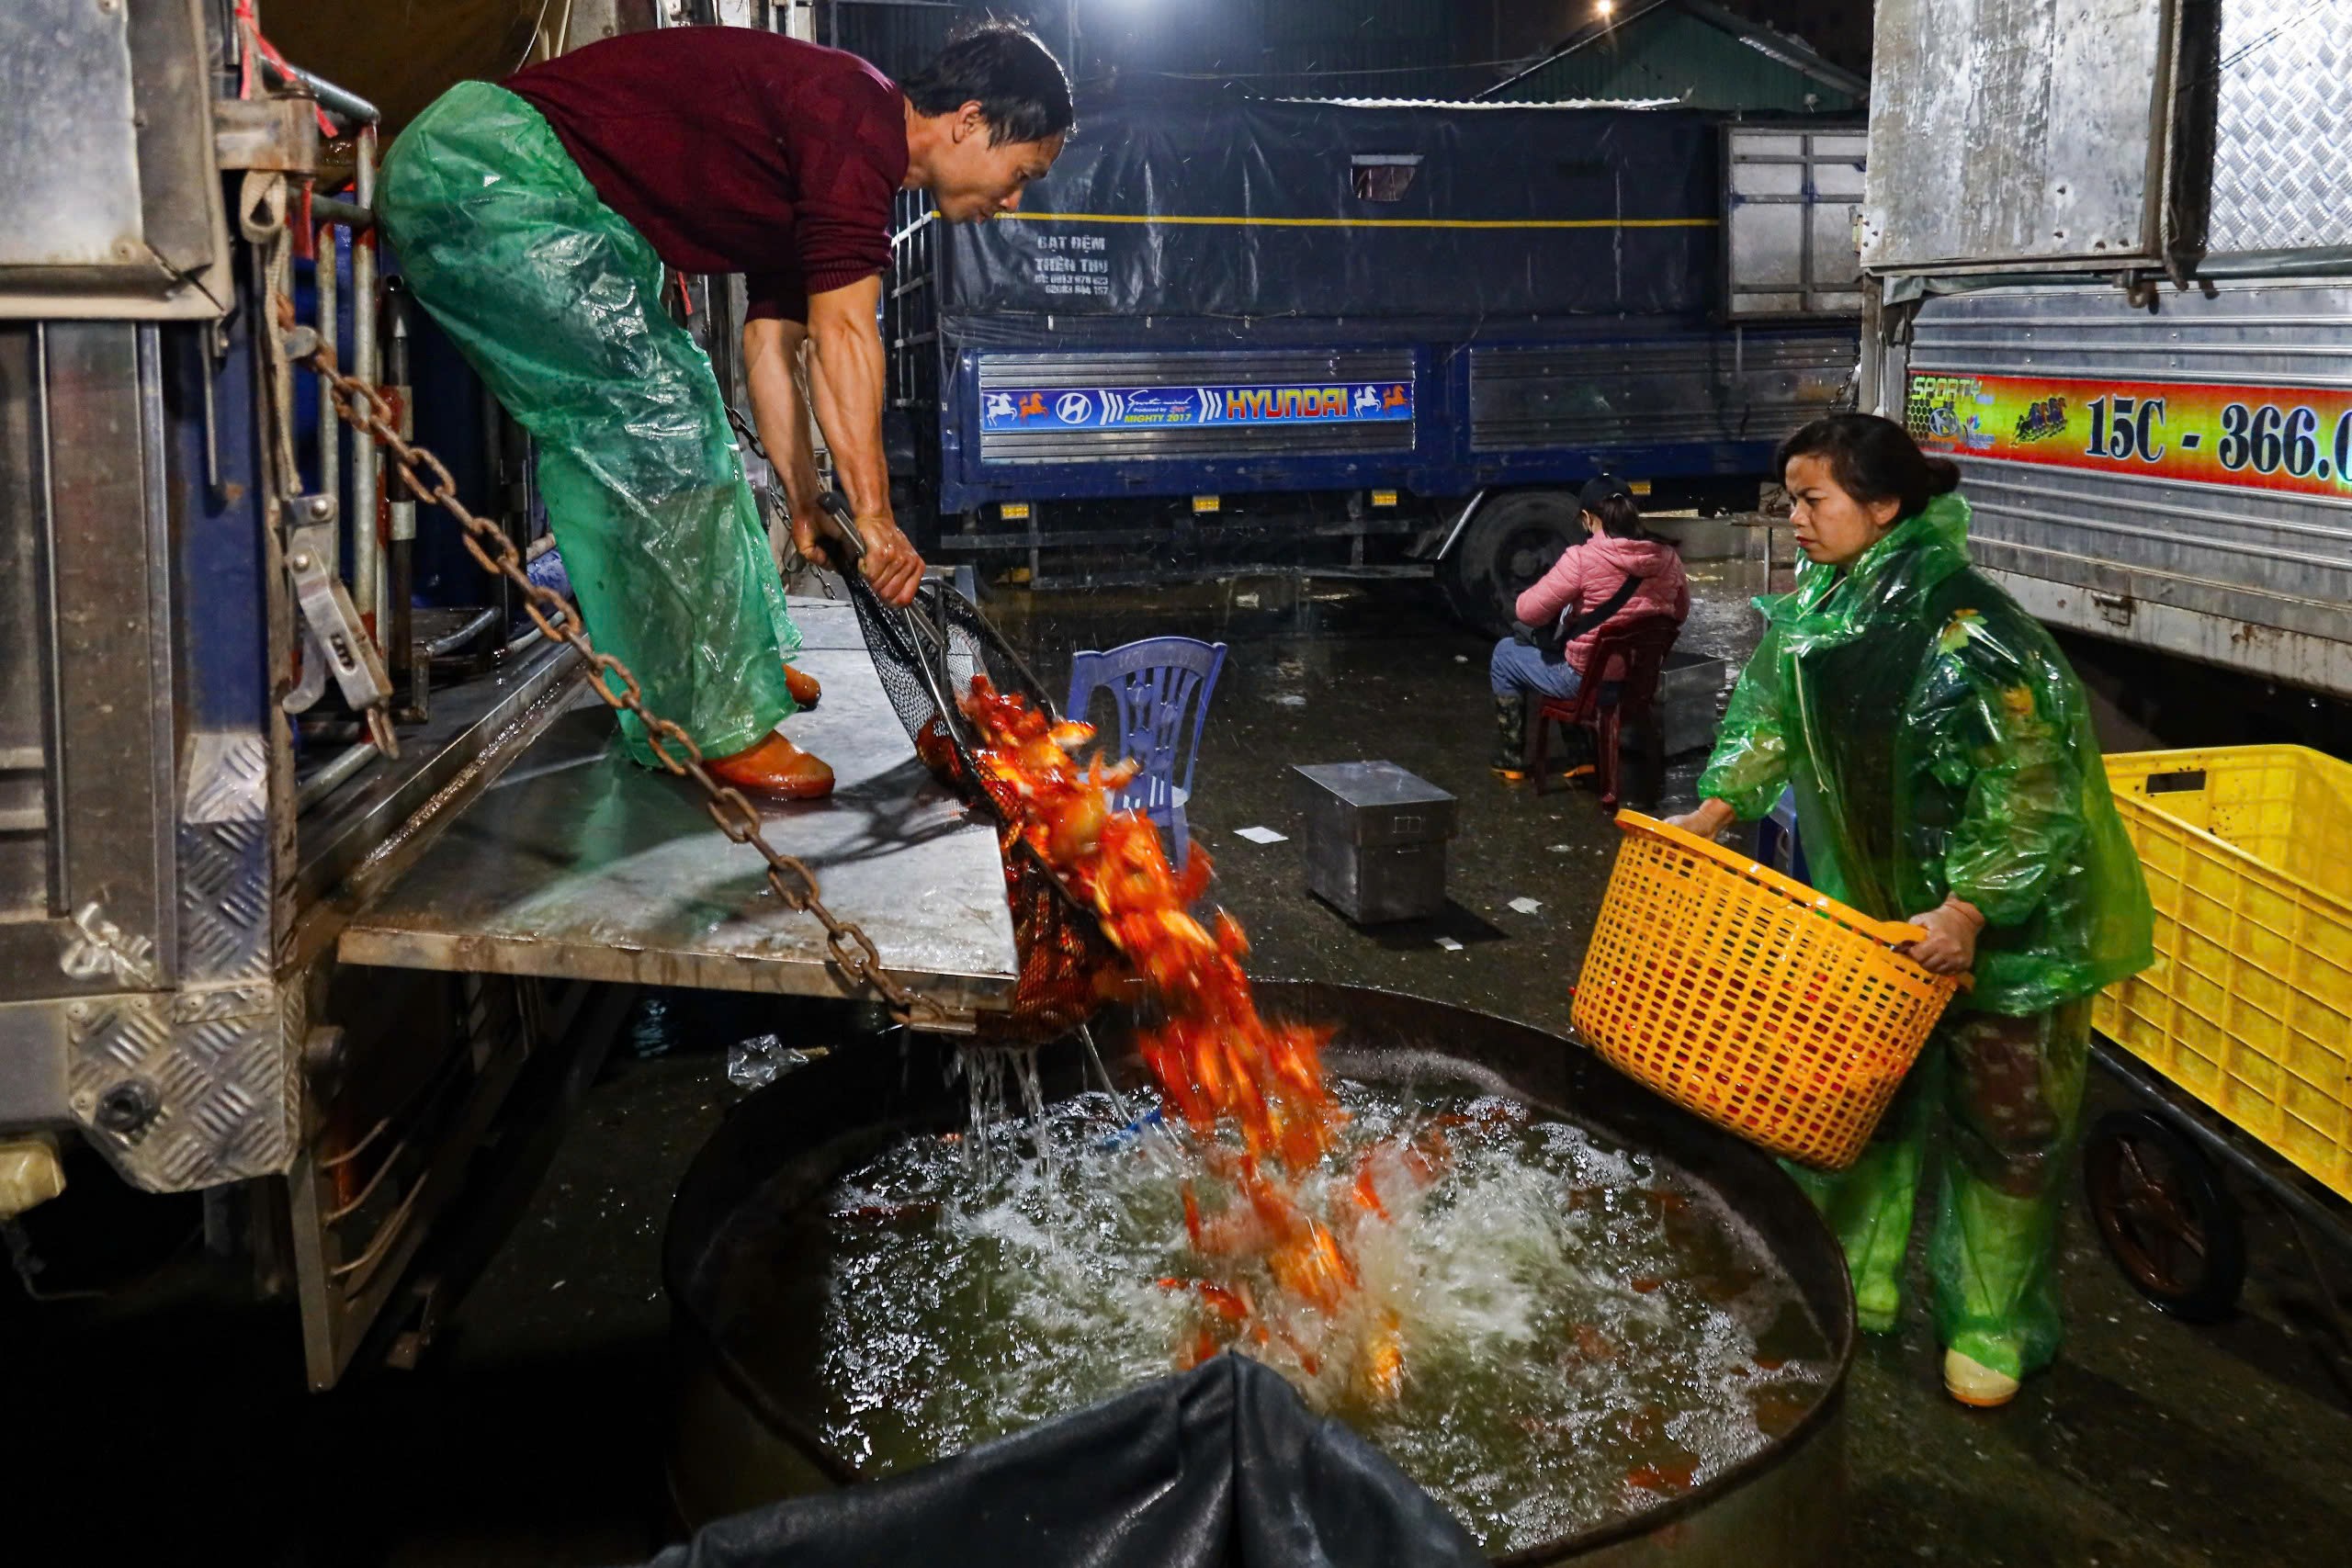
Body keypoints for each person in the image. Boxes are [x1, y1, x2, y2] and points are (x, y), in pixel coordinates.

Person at [379, 22, 1072, 797]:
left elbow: (772, 348)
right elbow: (844, 333)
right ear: (969, 121)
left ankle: (734, 664)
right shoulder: (856, 119)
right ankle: (707, 720)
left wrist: (808, 501)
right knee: (650, 420)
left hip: (534, 187)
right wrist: (875, 517)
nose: (1012, 201)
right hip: (486, 171)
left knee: (694, 412)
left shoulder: (847, 150)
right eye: (1023, 172)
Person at [1668, 413, 2153, 1407]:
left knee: (2004, 1133)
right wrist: (1716, 808)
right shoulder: (1822, 611)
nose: (1792, 518)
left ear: (1882, 506)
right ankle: (1855, 1284)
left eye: (1812, 500)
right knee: (1859, 1108)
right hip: (1878, 927)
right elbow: (1767, 713)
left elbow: (2031, 792)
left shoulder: (1970, 634)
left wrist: (1971, 909)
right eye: (1790, 498)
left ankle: (1988, 1324)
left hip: (2003, 940)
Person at [1488, 478, 1689, 779]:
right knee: (1570, 651)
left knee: (1506, 655)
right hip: (1639, 684)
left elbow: (1526, 611)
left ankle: (1511, 759)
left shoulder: (1583, 560)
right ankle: (1580, 757)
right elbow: (1679, 612)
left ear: (1586, 518)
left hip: (1585, 684)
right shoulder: (1667, 557)